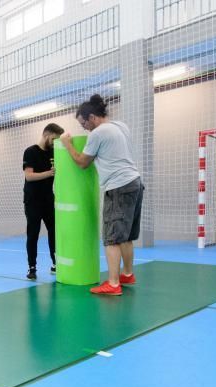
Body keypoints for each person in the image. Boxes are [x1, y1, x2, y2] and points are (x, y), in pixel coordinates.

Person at [59, 94, 144, 296]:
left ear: (92, 117)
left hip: (118, 187)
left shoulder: (97, 133)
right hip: (135, 183)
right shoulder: (120, 126)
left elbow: (82, 163)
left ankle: (113, 284)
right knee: (126, 236)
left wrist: (67, 144)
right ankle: (127, 274)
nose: (84, 128)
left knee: (112, 238)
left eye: (84, 123)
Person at [22, 123, 64, 280]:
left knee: (54, 232)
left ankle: (55, 264)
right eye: (54, 139)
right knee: (33, 234)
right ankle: (32, 268)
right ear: (47, 135)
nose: (55, 142)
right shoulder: (30, 151)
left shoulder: (54, 152)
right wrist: (49, 173)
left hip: (48, 198)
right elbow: (29, 176)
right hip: (32, 200)